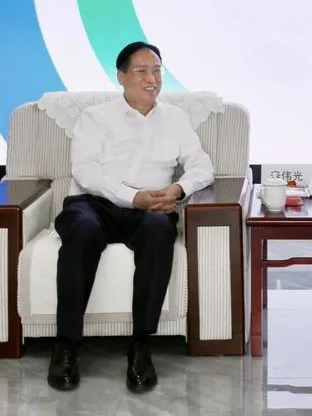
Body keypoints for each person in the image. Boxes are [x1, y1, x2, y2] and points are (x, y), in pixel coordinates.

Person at [47, 41, 213, 394]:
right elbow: (86, 172)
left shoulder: (175, 119)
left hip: (150, 208)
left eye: (157, 71)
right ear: (121, 76)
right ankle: (66, 346)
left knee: (158, 229)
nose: (152, 79)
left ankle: (140, 345)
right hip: (95, 204)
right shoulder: (95, 117)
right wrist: (131, 196)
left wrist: (178, 190)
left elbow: (202, 166)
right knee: (82, 229)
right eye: (141, 71)